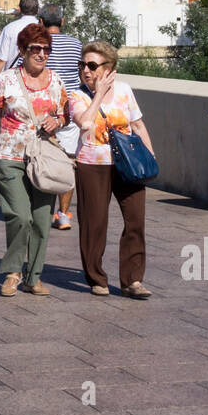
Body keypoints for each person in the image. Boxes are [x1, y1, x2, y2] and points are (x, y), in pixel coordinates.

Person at [0, 23, 68, 297]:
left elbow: (65, 115)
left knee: (41, 220)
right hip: (9, 155)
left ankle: (33, 276)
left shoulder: (56, 81)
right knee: (19, 215)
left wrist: (57, 121)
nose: (41, 54)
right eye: (34, 49)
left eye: (45, 49)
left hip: (43, 158)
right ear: (23, 51)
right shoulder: (6, 80)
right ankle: (13, 272)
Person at [70, 40, 155, 300]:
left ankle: (133, 280)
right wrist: (97, 94)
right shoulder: (76, 95)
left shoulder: (125, 91)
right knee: (94, 223)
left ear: (109, 68)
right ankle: (96, 277)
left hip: (127, 164)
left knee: (135, 221)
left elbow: (137, 126)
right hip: (92, 164)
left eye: (92, 65)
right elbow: (85, 123)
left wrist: (150, 157)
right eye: (82, 65)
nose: (86, 70)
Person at [14, 4, 84, 230]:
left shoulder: (38, 47)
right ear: (62, 21)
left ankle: (40, 210)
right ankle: (63, 214)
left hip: (42, 113)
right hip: (70, 110)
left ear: (40, 23)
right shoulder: (76, 44)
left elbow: (18, 72)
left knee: (38, 158)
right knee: (67, 161)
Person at [0, 0, 40, 96]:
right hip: (38, 82)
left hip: (13, 82)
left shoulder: (10, 28)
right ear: (37, 10)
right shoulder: (42, 29)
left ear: (20, 9)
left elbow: (1, 59)